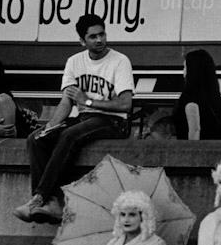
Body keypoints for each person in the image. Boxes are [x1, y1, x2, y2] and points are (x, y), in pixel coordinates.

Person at [14, 14, 134, 225]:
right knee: (36, 138)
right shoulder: (74, 62)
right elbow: (66, 103)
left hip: (113, 121)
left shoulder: (120, 61)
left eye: (102, 34)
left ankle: (39, 198)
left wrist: (87, 101)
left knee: (70, 135)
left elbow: (125, 104)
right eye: (93, 36)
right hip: (84, 119)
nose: (99, 40)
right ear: (82, 41)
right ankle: (51, 203)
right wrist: (49, 127)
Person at [173, 49, 221, 140]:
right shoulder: (214, 99)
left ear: (192, 71)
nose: (183, 72)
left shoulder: (190, 99)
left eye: (185, 67)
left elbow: (195, 130)